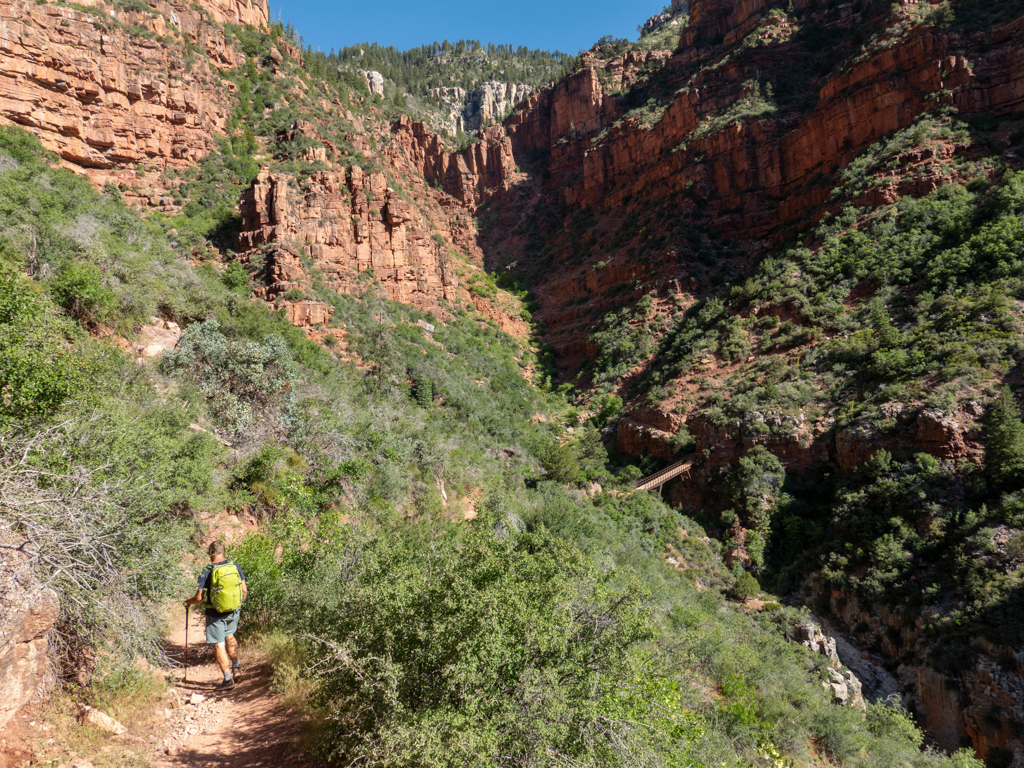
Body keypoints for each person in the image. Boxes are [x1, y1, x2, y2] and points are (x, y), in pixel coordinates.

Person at [185, 540, 247, 689]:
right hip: (233, 610)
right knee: (230, 635)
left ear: (211, 553)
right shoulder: (235, 566)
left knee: (219, 644)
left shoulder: (207, 570)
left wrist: (188, 602)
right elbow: (244, 590)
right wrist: (237, 605)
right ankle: (236, 668)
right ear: (223, 552)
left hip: (215, 613)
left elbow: (199, 598)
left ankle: (227, 680)